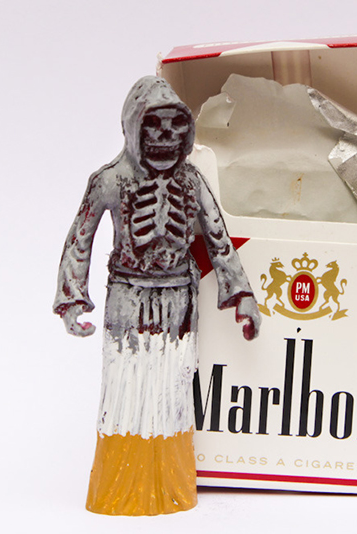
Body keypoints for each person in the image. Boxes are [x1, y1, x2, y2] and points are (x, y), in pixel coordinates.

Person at [53, 76, 260, 515]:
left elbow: (219, 240)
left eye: (176, 124)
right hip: (126, 301)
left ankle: (169, 486)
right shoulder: (109, 181)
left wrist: (241, 293)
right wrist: (72, 298)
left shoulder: (192, 181)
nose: (166, 135)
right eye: (154, 124)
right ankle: (120, 489)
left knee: (173, 392)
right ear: (133, 126)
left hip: (179, 304)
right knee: (125, 390)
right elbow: (79, 239)